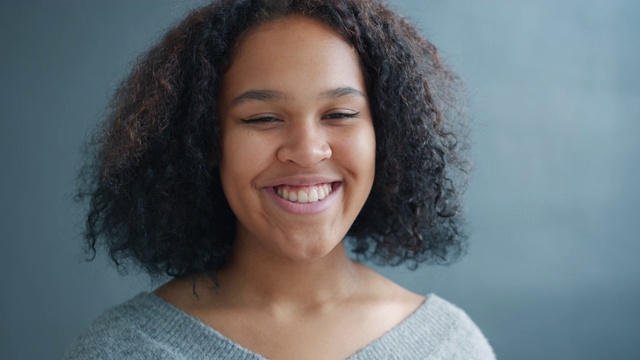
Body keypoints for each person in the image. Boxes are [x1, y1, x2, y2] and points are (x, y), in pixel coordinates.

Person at [67, 0, 495, 359]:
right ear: (205, 140)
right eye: (263, 118)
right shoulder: (121, 349)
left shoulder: (450, 347)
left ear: (385, 133)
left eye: (339, 115)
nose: (308, 150)